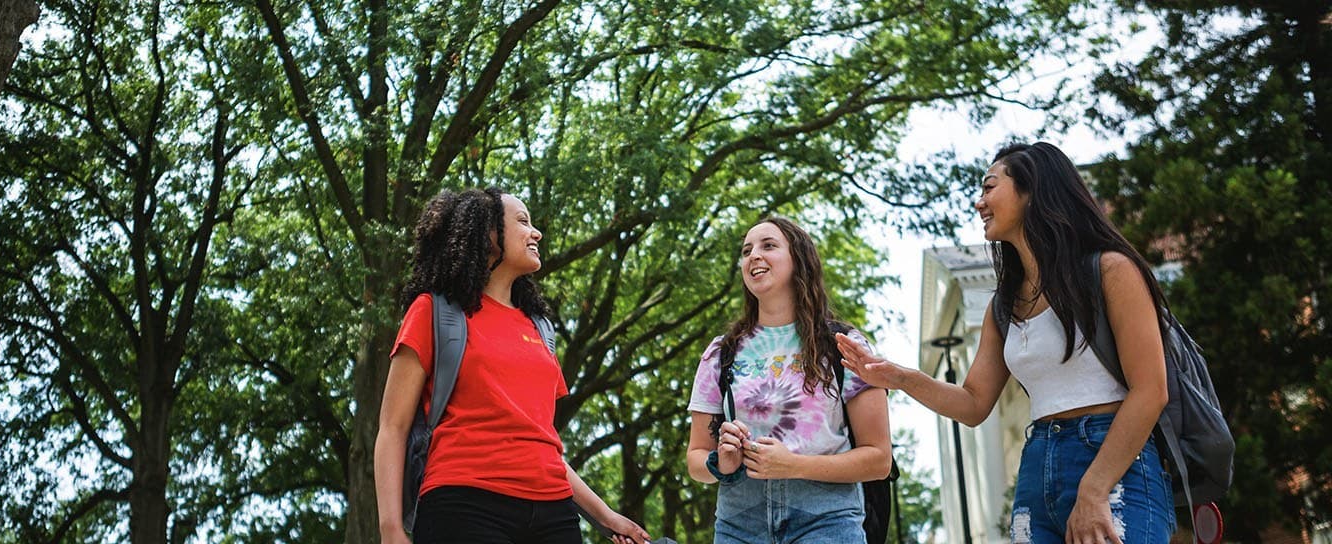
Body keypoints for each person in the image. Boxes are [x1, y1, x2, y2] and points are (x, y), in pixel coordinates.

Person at [838, 142, 1176, 543]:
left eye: (990, 187)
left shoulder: (1110, 270)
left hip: (1113, 461)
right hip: (1037, 464)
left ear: (1031, 189)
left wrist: (1094, 488)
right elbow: (973, 403)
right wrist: (899, 377)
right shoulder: (1004, 304)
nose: (980, 203)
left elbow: (1151, 390)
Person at [373, 187, 651, 544]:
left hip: (554, 513)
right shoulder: (434, 312)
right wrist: (391, 529)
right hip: (464, 503)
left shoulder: (540, 328)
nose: (536, 233)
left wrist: (607, 516)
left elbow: (542, 444)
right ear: (488, 234)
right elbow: (392, 427)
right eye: (522, 221)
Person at [685, 216, 893, 543]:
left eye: (768, 246)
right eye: (746, 250)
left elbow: (878, 459)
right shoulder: (720, 353)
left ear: (800, 260)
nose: (754, 255)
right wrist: (721, 463)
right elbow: (696, 458)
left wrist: (793, 465)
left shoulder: (845, 346)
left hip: (826, 519)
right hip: (739, 523)